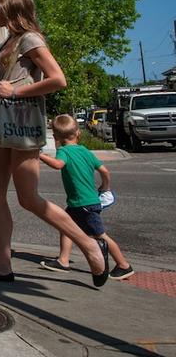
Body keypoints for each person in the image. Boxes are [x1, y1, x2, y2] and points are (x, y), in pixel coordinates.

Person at [0, 0, 109, 287]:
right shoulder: (10, 40)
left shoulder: (30, 39)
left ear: (13, 10)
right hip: (2, 122)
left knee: (28, 198)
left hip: (23, 124)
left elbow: (58, 79)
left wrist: (16, 91)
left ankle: (90, 246)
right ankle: (2, 263)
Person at [38, 114, 135, 280]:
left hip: (82, 203)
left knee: (100, 235)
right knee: (66, 226)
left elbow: (58, 165)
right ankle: (63, 260)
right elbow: (104, 171)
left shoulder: (64, 151)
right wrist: (105, 186)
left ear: (55, 137)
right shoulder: (85, 151)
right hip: (88, 200)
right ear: (78, 133)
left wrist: (38, 155)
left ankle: (123, 265)